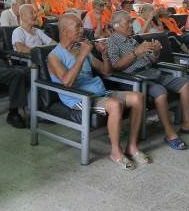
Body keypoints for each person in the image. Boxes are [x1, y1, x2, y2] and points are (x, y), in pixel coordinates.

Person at [48, 14, 149, 169]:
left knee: (138, 97)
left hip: (99, 93)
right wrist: (81, 56)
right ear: (64, 30)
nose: (82, 30)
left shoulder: (82, 49)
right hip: (78, 98)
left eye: (82, 26)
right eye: (78, 27)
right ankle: (115, 152)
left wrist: (105, 55)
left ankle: (132, 146)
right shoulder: (54, 56)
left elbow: (106, 71)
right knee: (115, 105)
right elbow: (67, 82)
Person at [108, 11, 189, 151]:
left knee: (185, 84)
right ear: (116, 26)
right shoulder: (112, 41)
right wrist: (136, 53)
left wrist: (155, 52)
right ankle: (170, 134)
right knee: (160, 92)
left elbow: (150, 59)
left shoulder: (132, 39)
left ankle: (187, 123)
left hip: (152, 72)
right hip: (136, 79)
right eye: (128, 23)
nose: (131, 25)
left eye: (131, 22)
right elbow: (116, 66)